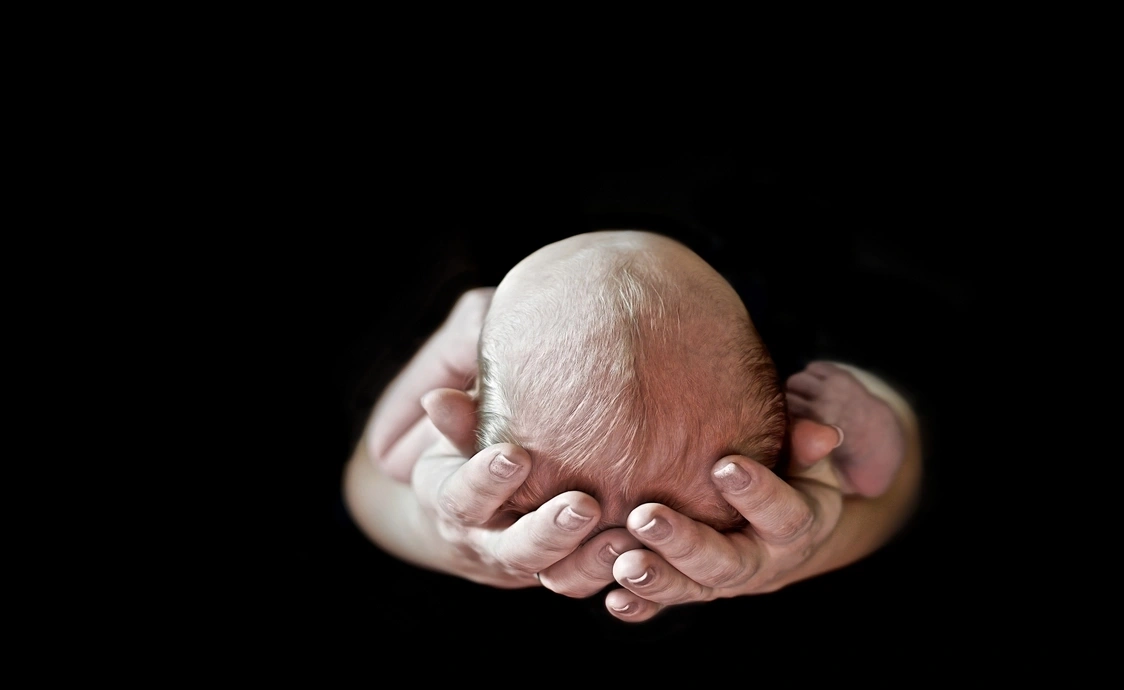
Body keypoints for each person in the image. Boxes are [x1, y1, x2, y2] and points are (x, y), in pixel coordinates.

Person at [344, 230, 923, 622]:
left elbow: (386, 456)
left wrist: (448, 347)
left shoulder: (461, 447)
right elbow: (874, 482)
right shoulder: (790, 451)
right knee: (847, 459)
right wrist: (861, 415)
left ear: (475, 409)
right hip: (738, 558)